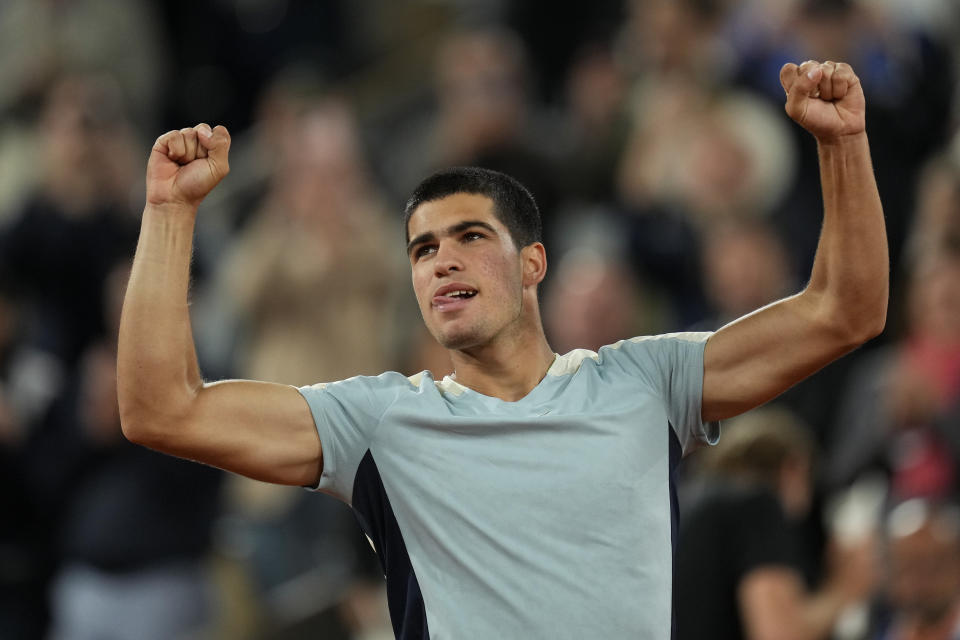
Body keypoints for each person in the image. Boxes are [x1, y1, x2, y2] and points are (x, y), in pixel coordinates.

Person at [118, 60, 887, 638]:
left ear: (533, 265)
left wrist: (844, 146)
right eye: (421, 250)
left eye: (469, 237)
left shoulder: (647, 382)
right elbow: (162, 409)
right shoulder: (380, 424)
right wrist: (167, 212)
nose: (440, 261)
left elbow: (843, 311)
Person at [675, 406, 877, 640]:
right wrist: (846, 587)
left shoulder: (687, 503)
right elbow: (780, 635)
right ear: (795, 468)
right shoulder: (757, 504)